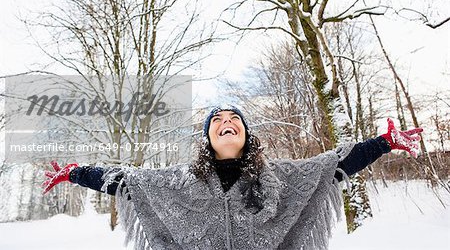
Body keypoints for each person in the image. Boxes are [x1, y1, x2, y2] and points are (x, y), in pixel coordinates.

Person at [42, 105, 423, 250]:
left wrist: (384, 143)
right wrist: (76, 173)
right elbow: (127, 181)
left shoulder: (278, 178)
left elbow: (328, 167)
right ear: (208, 137)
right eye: (218, 121)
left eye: (234, 119)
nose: (227, 123)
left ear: (245, 133)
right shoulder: (180, 181)